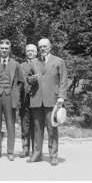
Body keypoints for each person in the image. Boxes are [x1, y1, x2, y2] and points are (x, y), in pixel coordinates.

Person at [27, 38, 68, 166]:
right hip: (37, 100)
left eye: (45, 46)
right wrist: (31, 79)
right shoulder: (34, 62)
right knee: (37, 129)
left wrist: (61, 96)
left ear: (50, 47)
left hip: (52, 101)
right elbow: (28, 78)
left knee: (52, 129)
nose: (42, 49)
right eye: (40, 47)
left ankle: (53, 155)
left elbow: (63, 80)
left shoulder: (59, 61)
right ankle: (37, 154)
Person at [0, 39, 25, 161]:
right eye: (2, 48)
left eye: (6, 48)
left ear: (9, 50)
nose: (4, 50)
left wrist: (15, 92)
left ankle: (10, 151)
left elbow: (21, 81)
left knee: (10, 124)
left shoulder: (16, 64)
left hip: (10, 97)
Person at [19, 44, 37, 157]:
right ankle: (25, 149)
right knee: (25, 126)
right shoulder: (21, 66)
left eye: (32, 51)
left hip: (37, 100)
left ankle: (36, 150)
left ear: (36, 53)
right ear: (26, 52)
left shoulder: (40, 64)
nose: (30, 53)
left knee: (36, 126)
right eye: (28, 51)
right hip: (24, 100)